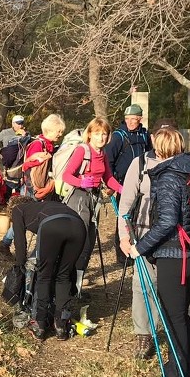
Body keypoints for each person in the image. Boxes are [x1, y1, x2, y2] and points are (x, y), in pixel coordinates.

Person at [128, 127, 190, 377]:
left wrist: (139, 248)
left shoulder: (168, 176)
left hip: (176, 256)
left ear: (158, 147)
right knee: (181, 316)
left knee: (173, 319)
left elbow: (166, 222)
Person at [117, 121, 175, 360]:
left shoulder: (186, 164)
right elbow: (126, 204)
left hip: (175, 236)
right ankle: (144, 334)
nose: (163, 140)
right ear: (152, 137)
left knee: (173, 285)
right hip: (142, 232)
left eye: (169, 135)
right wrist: (123, 236)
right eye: (160, 135)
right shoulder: (139, 163)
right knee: (142, 285)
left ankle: (179, 329)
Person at [10, 161, 87, 341]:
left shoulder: (18, 209)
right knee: (64, 275)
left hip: (52, 226)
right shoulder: (43, 205)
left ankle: (40, 324)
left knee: (44, 275)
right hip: (78, 226)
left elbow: (20, 242)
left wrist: (20, 265)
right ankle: (61, 325)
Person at [60, 117, 123, 296]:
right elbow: (67, 175)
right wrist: (82, 181)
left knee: (89, 242)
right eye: (97, 134)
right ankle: (69, 285)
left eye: (104, 134)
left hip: (94, 198)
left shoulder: (102, 153)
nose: (101, 137)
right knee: (80, 242)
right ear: (89, 134)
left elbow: (108, 178)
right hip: (78, 198)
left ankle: (77, 287)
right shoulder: (82, 150)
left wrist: (123, 189)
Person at [0, 114, 65, 260]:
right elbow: (26, 165)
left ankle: (6, 244)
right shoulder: (38, 144)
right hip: (31, 187)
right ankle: (5, 243)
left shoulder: (48, 145)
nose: (60, 134)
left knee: (25, 217)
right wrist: (40, 159)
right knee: (24, 217)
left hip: (39, 187)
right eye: (58, 131)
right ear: (50, 130)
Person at [105, 104, 153, 264]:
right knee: (124, 217)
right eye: (128, 119)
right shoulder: (118, 136)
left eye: (134, 119)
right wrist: (110, 183)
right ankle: (123, 256)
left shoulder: (144, 135)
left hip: (143, 182)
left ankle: (139, 249)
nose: (131, 122)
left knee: (140, 216)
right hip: (123, 184)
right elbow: (108, 160)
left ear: (140, 119)